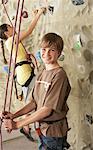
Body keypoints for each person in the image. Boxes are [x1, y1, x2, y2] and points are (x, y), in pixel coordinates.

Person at [3, 33, 71, 150]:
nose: (47, 53)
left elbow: (46, 110)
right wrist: (14, 115)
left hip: (53, 132)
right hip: (42, 129)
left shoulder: (59, 75)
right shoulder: (42, 73)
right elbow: (34, 102)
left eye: (52, 50)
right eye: (44, 49)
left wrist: (18, 124)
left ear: (59, 53)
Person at [0, 7, 46, 142]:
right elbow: (30, 31)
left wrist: (26, 57)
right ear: (6, 32)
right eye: (10, 26)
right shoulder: (11, 40)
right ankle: (26, 127)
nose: (13, 27)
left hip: (23, 74)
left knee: (34, 101)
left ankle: (26, 128)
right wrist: (38, 15)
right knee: (38, 98)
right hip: (25, 74)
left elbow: (19, 57)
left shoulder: (11, 42)